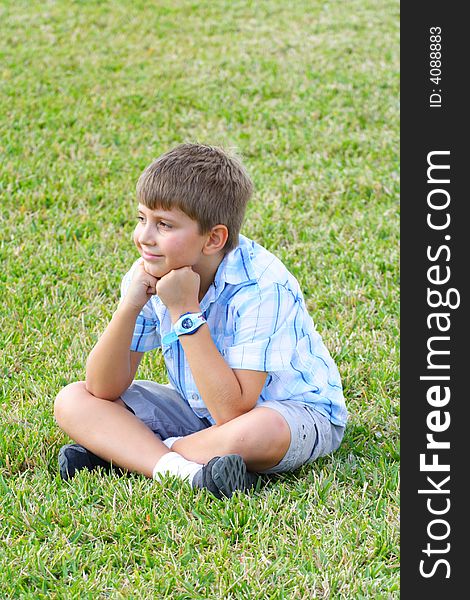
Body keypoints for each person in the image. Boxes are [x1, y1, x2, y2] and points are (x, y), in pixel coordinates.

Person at [54, 143, 348, 499]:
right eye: (141, 218)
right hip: (198, 412)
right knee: (73, 400)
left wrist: (184, 311)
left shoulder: (262, 285)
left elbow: (232, 411)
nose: (144, 237)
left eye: (164, 225)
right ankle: (188, 472)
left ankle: (125, 453)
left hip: (291, 413)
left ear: (213, 239)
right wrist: (129, 306)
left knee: (252, 433)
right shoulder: (149, 270)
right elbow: (103, 388)